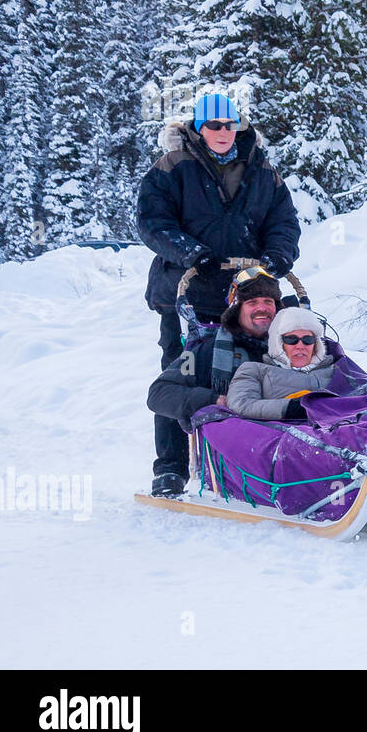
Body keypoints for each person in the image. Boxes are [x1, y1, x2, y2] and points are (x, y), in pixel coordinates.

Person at [137, 93, 301, 496]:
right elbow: (152, 222)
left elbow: (284, 221)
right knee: (180, 372)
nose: (223, 133)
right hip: (186, 290)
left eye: (229, 125)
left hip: (248, 293)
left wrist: (277, 256)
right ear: (198, 128)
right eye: (214, 126)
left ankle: (262, 458)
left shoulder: (262, 169)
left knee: (262, 372)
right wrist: (192, 252)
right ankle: (171, 466)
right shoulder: (172, 167)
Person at [145, 267, 282, 496]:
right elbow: (161, 393)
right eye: (252, 302)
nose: (262, 308)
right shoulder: (203, 351)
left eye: (268, 301)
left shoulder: (297, 343)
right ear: (236, 309)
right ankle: (171, 469)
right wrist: (214, 399)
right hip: (240, 449)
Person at [225, 307, 336, 421]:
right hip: (280, 434)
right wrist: (291, 408)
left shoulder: (337, 371)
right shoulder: (255, 370)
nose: (300, 346)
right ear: (278, 343)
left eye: (308, 339)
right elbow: (241, 404)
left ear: (316, 344)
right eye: (291, 339)